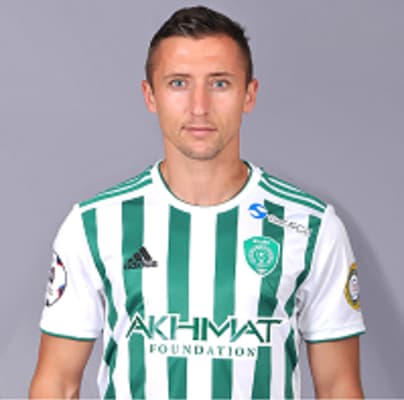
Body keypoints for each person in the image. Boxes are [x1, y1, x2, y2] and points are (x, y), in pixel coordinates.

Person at [29, 5, 365, 399]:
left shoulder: (310, 226)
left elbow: (339, 387)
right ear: (150, 95)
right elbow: (57, 384)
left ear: (249, 94)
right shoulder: (95, 224)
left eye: (220, 83)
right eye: (178, 83)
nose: (199, 106)